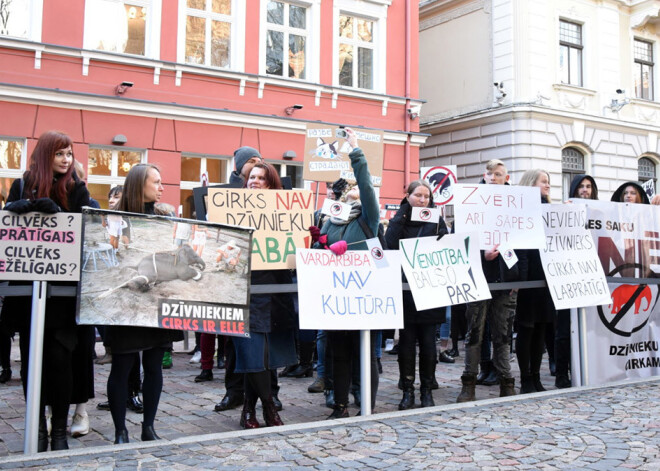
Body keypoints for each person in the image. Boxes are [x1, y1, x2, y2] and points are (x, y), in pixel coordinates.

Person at [0, 130, 91, 451]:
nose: (66, 160)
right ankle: (37, 428)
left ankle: (59, 432)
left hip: (63, 296)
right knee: (30, 362)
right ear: (45, 155)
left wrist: (61, 213)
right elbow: (8, 227)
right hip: (27, 292)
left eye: (69, 155)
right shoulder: (22, 183)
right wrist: (19, 207)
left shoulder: (77, 188)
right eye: (60, 154)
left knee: (60, 360)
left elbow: (85, 229)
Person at [104, 163, 184, 444]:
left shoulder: (165, 219)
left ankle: (148, 427)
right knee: (123, 366)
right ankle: (120, 431)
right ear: (140, 185)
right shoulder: (115, 219)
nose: (163, 188)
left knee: (154, 366)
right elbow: (109, 261)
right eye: (157, 182)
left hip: (156, 303)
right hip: (126, 303)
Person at [315, 127, 380, 419]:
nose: (352, 189)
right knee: (338, 352)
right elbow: (319, 254)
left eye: (356, 187)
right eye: (348, 187)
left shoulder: (369, 217)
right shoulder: (330, 220)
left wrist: (355, 151)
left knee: (365, 352)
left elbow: (367, 186)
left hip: (363, 293)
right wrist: (320, 243)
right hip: (336, 296)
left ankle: (366, 401)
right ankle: (340, 404)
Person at [232, 162, 297, 429]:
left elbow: (295, 251)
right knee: (251, 353)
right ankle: (269, 407)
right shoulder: (232, 209)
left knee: (266, 358)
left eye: (261, 178)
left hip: (275, 292)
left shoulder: (285, 211)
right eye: (251, 177)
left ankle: (249, 409)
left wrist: (307, 237)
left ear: (270, 184)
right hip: (243, 291)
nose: (254, 181)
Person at [456, 159, 520, 402]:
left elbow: (523, 244)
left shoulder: (515, 205)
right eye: (490, 174)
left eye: (499, 174)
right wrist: (482, 256)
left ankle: (507, 382)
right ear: (485, 176)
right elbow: (460, 241)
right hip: (477, 279)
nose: (494, 178)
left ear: (506, 177)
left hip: (505, 283)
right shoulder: (471, 202)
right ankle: (468, 383)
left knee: (503, 336)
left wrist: (517, 279)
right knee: (474, 334)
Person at [385, 180, 449, 409]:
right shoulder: (400, 219)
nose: (423, 200)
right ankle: (408, 390)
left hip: (430, 289)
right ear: (408, 195)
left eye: (427, 196)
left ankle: (427, 390)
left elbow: (446, 247)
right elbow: (389, 244)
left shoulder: (436, 219)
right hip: (405, 290)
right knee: (407, 343)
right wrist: (403, 212)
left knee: (429, 344)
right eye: (418, 195)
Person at [515, 169, 556, 393]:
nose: (548, 185)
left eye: (548, 182)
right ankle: (525, 379)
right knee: (526, 329)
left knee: (541, 329)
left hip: (547, 276)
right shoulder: (521, 211)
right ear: (531, 184)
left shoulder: (551, 210)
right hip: (528, 275)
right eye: (544, 181)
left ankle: (536, 377)